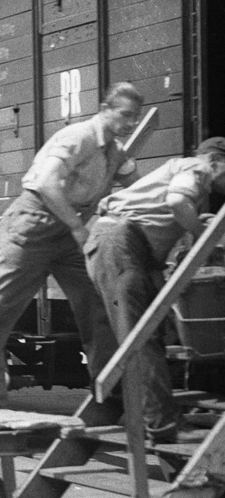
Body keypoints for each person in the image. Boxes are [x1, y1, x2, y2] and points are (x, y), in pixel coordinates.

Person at [0, 84, 143, 406]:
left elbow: (135, 185)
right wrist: (77, 228)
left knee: (96, 301)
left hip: (66, 231)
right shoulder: (80, 137)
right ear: (105, 109)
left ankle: (109, 388)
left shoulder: (114, 150)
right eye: (125, 114)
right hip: (33, 224)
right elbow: (47, 182)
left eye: (135, 117)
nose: (130, 123)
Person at [86, 137, 225, 444]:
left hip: (128, 248)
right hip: (121, 245)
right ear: (215, 161)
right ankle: (162, 424)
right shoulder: (198, 169)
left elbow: (167, 207)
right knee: (142, 338)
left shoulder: (186, 172)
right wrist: (204, 235)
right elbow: (177, 202)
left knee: (150, 335)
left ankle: (158, 416)